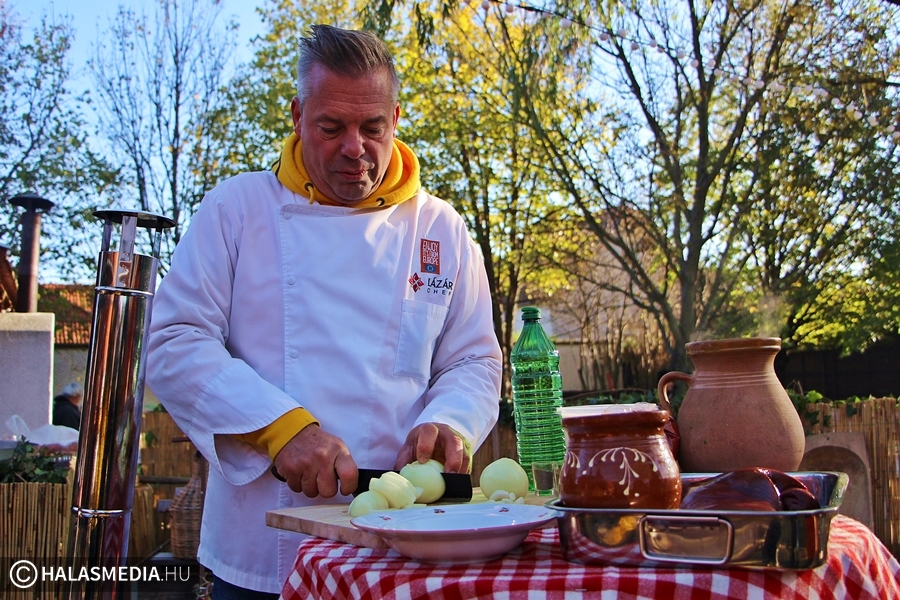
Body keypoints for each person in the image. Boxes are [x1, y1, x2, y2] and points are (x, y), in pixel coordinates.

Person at [146, 25, 502, 598]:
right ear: (297, 116)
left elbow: (474, 361)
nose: (354, 147)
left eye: (372, 127)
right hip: (263, 543)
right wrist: (281, 429)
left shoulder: (441, 228)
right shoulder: (238, 209)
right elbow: (174, 341)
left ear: (396, 119)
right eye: (331, 127)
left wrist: (450, 422)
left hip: (406, 536)